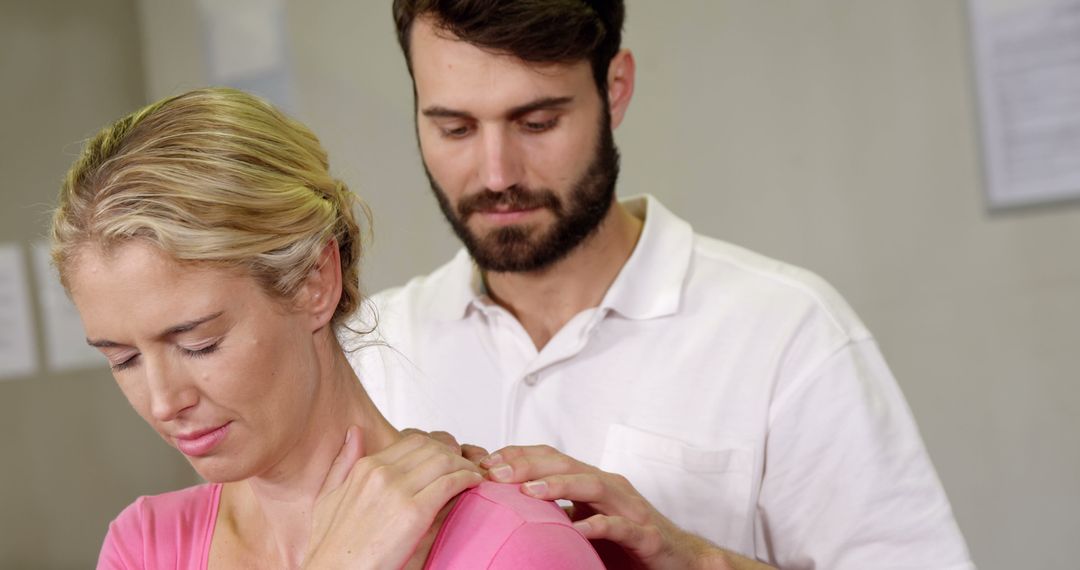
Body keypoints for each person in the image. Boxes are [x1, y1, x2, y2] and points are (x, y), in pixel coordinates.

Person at [343, 1, 977, 569]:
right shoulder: (369, 349)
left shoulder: (788, 332)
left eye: (536, 122)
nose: (496, 172)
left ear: (615, 89)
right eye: (454, 128)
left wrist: (695, 559)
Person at [53, 87, 605, 569]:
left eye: (200, 343)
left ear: (315, 281)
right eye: (123, 359)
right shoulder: (144, 545)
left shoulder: (516, 546)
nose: (163, 401)